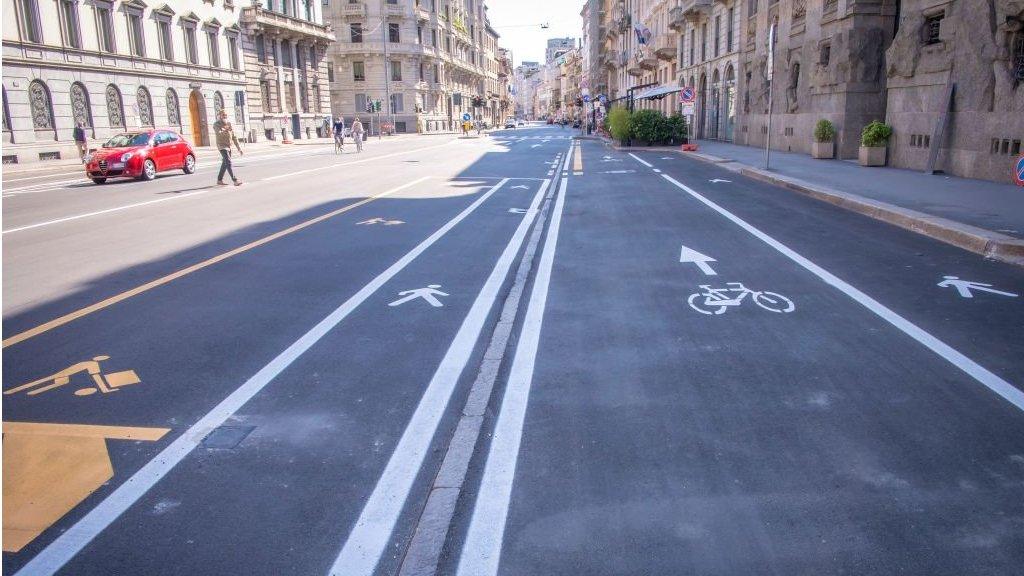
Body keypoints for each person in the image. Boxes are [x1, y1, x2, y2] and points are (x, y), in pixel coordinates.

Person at [213, 110, 243, 186]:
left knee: (225, 163)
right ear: (220, 116)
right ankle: (235, 180)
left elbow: (234, 137)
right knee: (228, 162)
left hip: (229, 146)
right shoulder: (217, 124)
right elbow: (218, 134)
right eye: (223, 115)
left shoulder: (229, 124)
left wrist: (239, 148)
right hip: (222, 146)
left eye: (226, 115)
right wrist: (225, 130)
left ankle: (219, 180)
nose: (225, 116)